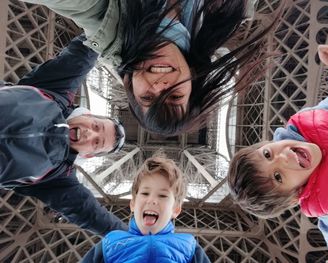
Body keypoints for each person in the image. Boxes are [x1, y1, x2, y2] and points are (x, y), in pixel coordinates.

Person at [21, 0, 279, 136]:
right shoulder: (229, 15)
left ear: (128, 83)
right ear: (194, 81)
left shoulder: (100, 14)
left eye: (147, 97)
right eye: (175, 96)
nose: (159, 86)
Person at [228, 39, 328, 262]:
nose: (284, 157)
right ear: (294, 197)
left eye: (268, 154)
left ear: (266, 143)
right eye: (278, 176)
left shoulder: (310, 121)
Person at [1, 35, 127, 235]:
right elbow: (85, 52)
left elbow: (90, 215)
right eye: (96, 125)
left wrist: (136, 242)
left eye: (96, 143)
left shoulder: (58, 179)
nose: (89, 133)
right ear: (87, 114)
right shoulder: (56, 90)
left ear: (88, 155)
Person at [82, 156, 211, 262]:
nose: (152, 200)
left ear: (176, 210)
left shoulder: (189, 246)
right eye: (145, 193)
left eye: (162, 195)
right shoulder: (110, 243)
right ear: (132, 204)